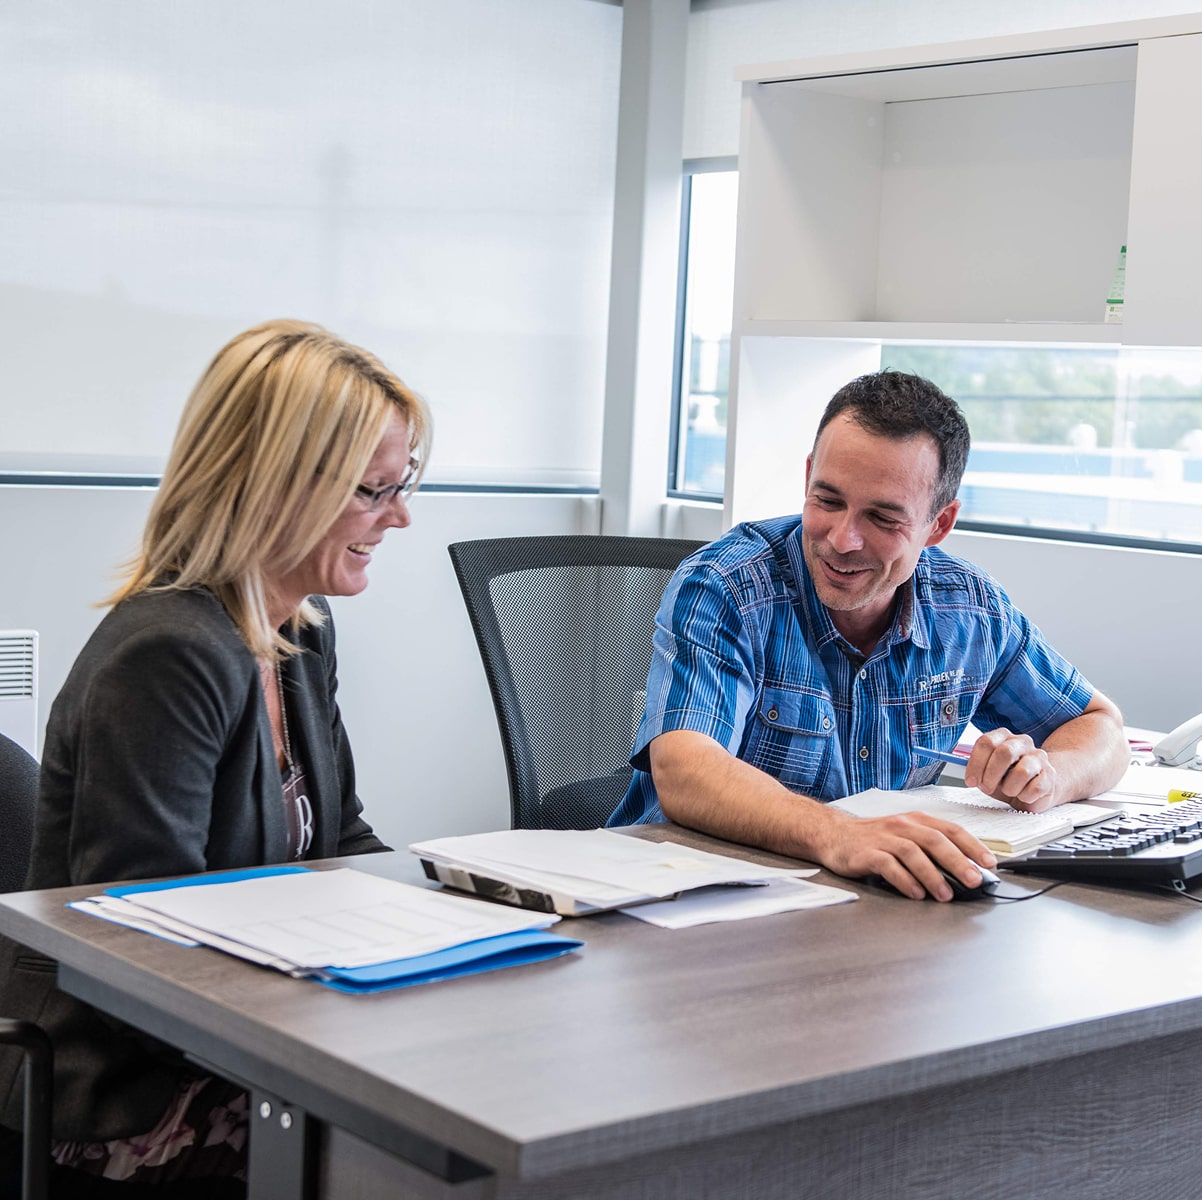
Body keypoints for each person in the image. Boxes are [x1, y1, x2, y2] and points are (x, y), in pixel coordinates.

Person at [0, 319, 430, 1195]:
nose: (400, 516)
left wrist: (450, 928)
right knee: (405, 1168)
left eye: (403, 482)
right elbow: (142, 950)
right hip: (136, 1095)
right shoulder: (168, 653)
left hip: (246, 1044)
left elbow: (340, 843)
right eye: (374, 490)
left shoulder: (297, 630)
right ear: (275, 487)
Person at [609, 370, 1127, 902]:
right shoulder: (727, 587)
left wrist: (1048, 776)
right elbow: (684, 768)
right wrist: (840, 836)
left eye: (882, 517)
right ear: (809, 476)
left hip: (868, 908)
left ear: (939, 524)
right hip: (686, 898)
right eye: (828, 500)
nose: (842, 539)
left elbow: (1100, 726)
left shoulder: (967, 608)